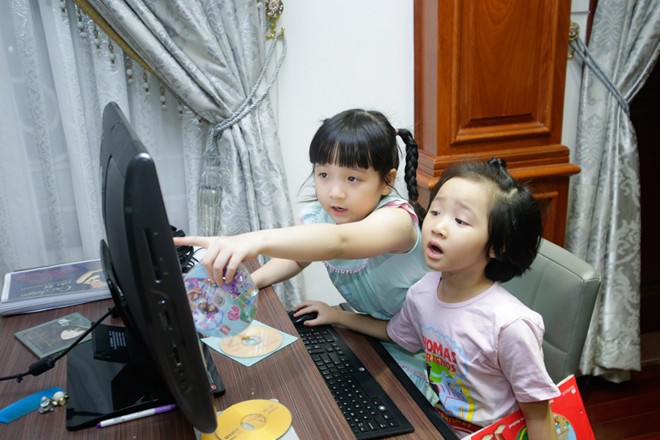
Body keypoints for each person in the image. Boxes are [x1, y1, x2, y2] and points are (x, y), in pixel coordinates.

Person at [293, 158, 560, 438]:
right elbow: (395, 332)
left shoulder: (510, 325)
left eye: (460, 220)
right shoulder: (423, 291)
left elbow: (539, 416)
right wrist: (337, 316)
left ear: (497, 246)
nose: (438, 227)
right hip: (443, 423)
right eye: (436, 211)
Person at [175, 108, 431, 388]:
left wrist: (252, 241)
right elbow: (297, 259)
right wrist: (248, 284)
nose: (335, 192)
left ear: (387, 181)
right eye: (324, 174)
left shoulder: (396, 221)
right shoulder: (322, 216)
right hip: (377, 334)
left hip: (425, 353)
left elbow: (340, 241)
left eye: (352, 179)